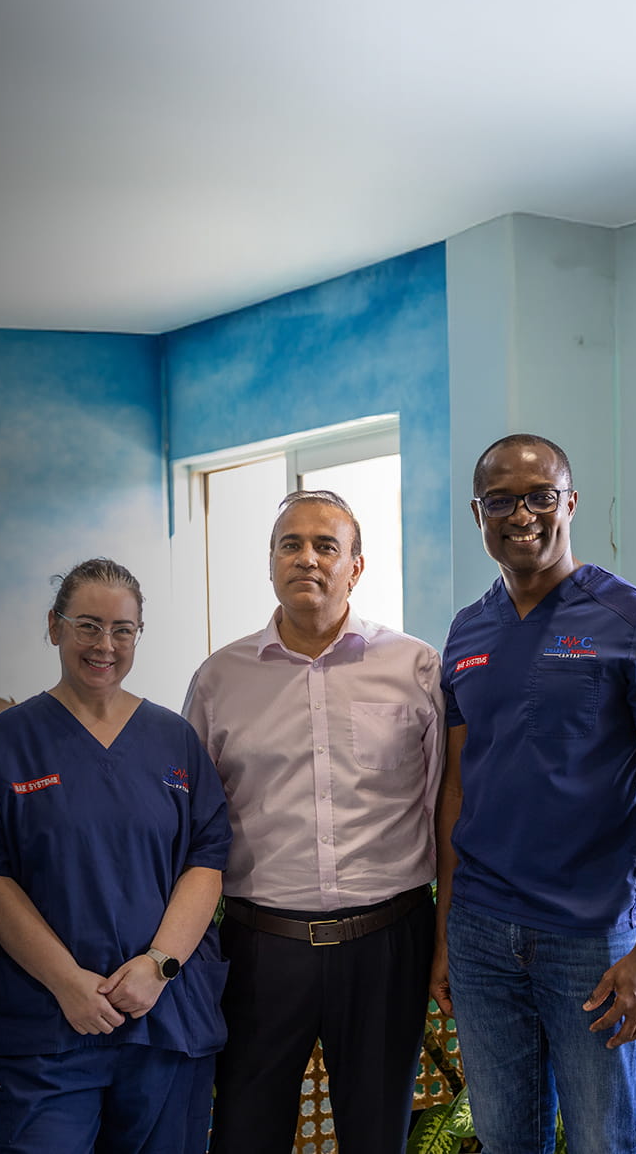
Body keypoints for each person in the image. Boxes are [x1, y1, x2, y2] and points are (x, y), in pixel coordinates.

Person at [430, 434, 636, 1154]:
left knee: (601, 1142)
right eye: (501, 500)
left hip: (593, 943)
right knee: (503, 1139)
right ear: (477, 513)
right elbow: (457, 790)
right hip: (483, 935)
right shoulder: (467, 633)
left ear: (570, 503)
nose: (521, 514)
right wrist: (446, 934)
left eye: (540, 495)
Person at [181, 489, 443, 1154]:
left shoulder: (414, 669)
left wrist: (446, 939)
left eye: (327, 545)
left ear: (356, 565)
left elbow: (447, 810)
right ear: (270, 562)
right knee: (245, 1132)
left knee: (376, 1135)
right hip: (261, 948)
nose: (307, 558)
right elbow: (192, 822)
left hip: (388, 944)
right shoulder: (219, 680)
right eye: (290, 544)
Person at [0, 558, 229, 1154]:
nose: (105, 645)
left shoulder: (173, 738)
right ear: (54, 628)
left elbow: (207, 860)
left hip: (162, 1019)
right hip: (45, 1021)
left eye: (122, 630)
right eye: (87, 626)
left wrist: (159, 966)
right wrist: (66, 983)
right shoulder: (9, 739)